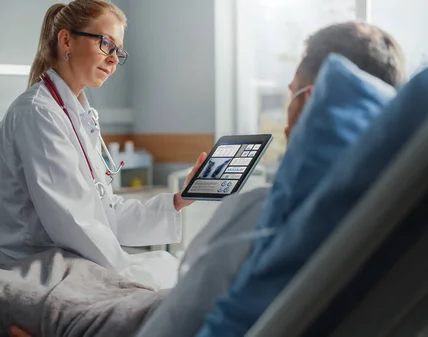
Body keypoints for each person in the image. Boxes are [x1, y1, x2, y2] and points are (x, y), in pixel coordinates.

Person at [135, 21, 407, 337]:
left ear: (310, 100)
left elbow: (174, 322)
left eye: (292, 95)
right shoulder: (395, 212)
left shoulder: (256, 214)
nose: (287, 126)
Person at [0, 0, 206, 292]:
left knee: (179, 269)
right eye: (106, 44)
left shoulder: (75, 115)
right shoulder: (38, 113)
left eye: (118, 50)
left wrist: (178, 200)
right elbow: (73, 222)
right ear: (66, 40)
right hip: (39, 272)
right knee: (177, 284)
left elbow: (106, 213)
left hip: (69, 263)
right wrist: (126, 275)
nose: (114, 59)